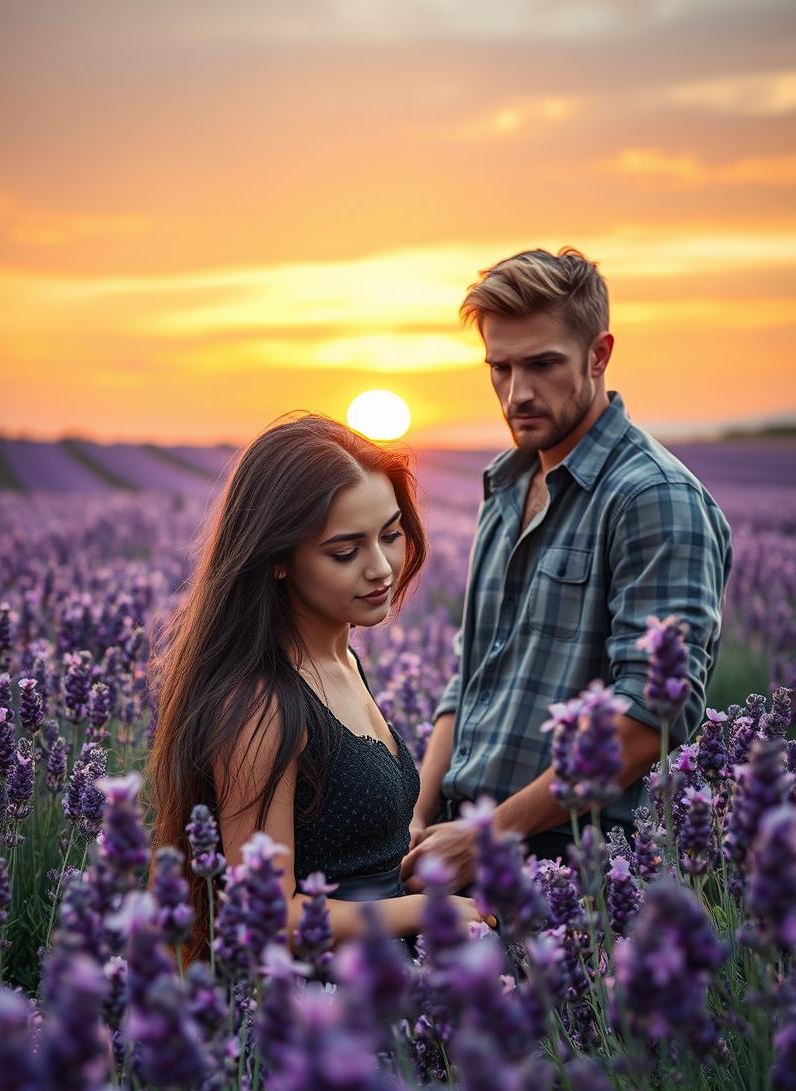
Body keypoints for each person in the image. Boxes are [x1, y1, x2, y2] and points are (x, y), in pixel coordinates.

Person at [403, 247, 732, 893]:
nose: (517, 392)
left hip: (569, 862)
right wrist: (415, 815)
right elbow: (468, 678)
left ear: (598, 354)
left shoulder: (651, 497)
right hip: (461, 841)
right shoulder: (509, 484)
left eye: (543, 364)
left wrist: (490, 834)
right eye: (499, 368)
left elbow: (650, 718)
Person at [149, 414, 488, 960]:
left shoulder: (343, 662)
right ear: (278, 559)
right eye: (345, 551)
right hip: (316, 1015)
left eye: (391, 535)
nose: (381, 568)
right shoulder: (261, 703)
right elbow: (264, 915)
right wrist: (420, 910)